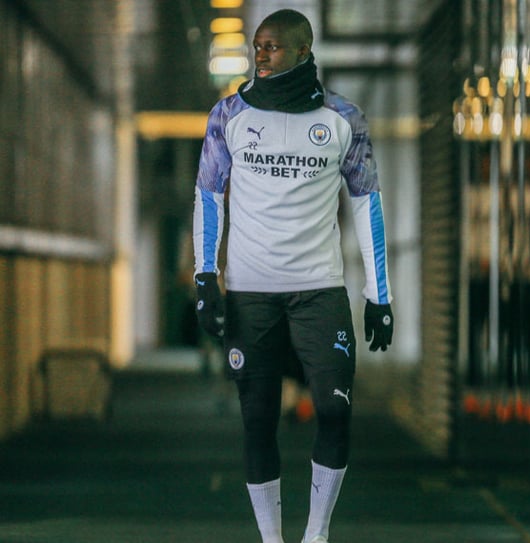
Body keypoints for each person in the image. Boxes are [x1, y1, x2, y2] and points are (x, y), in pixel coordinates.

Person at [192, 9, 394, 543]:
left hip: (319, 290)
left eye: (274, 47)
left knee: (333, 411)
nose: (261, 54)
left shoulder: (342, 119)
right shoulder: (229, 115)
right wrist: (205, 276)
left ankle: (317, 534)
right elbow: (208, 197)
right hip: (251, 293)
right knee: (258, 420)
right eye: (257, 46)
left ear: (304, 51)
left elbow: (367, 202)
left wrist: (380, 296)